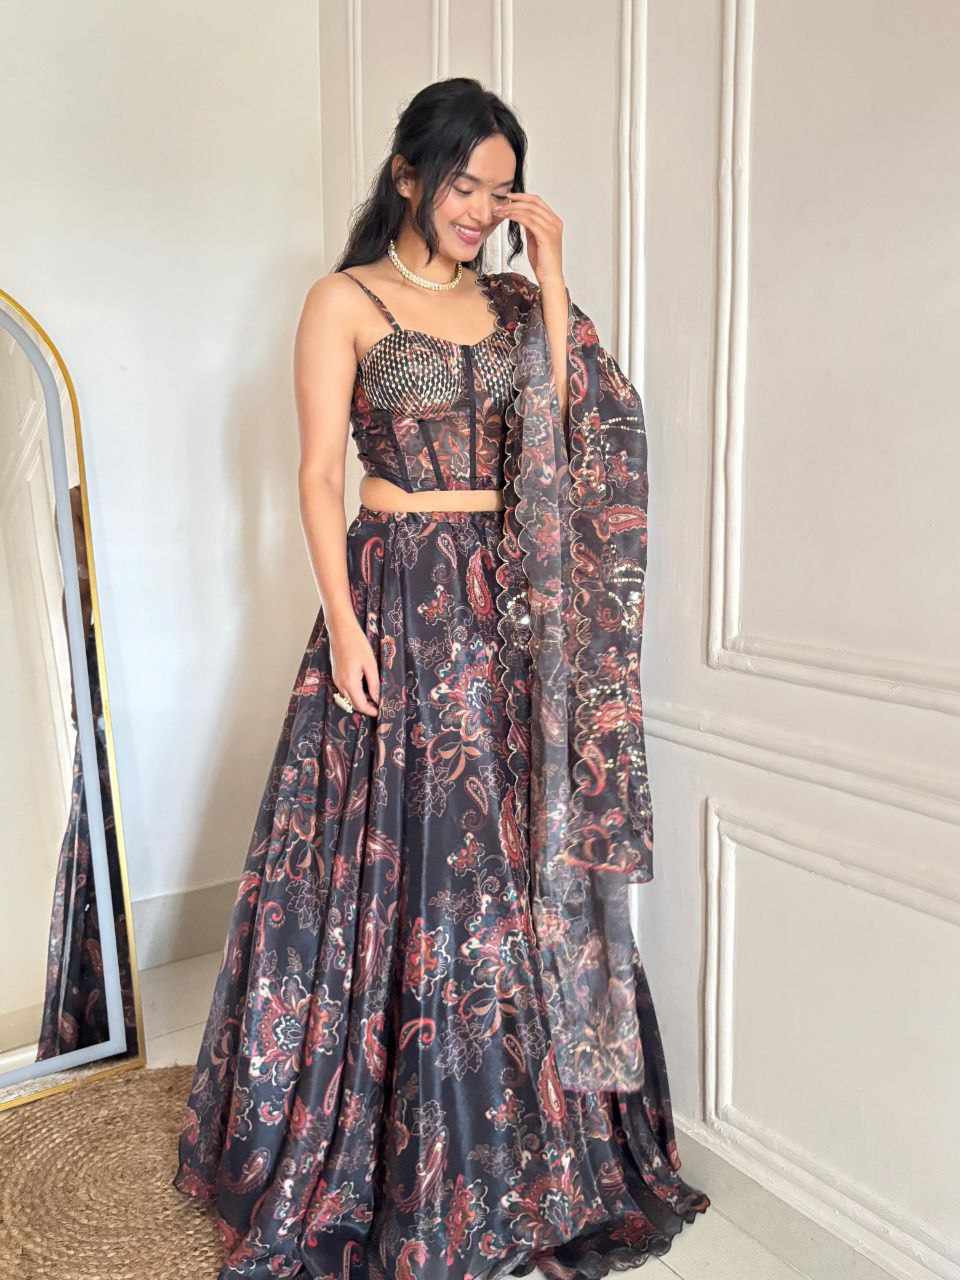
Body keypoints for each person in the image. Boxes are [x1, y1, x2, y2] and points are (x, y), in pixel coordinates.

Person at [173, 76, 710, 1280]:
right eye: (462, 183)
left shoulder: (514, 302)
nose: (478, 210)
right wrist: (343, 620)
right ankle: (395, 1152)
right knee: (411, 862)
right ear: (409, 175)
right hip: (400, 597)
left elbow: (575, 433)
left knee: (517, 861)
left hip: (512, 611)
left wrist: (554, 274)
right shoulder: (345, 299)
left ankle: (526, 1152)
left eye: (498, 189)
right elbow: (318, 475)